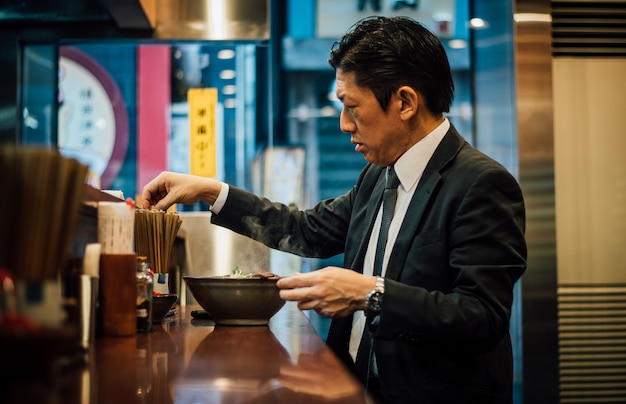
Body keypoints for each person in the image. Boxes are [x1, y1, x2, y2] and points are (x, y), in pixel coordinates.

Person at [142, 16, 526, 403]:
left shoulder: (481, 184)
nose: (344, 125)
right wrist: (210, 191)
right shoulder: (378, 175)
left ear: (405, 102)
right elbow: (308, 230)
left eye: (352, 107)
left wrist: (371, 294)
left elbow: (482, 317)